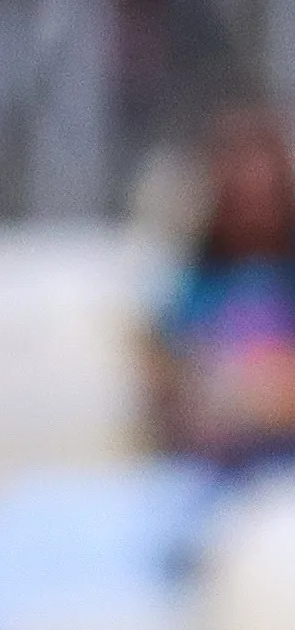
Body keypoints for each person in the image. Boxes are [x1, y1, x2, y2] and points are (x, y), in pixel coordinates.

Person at [158, 106, 295, 466]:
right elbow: (170, 396)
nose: (252, 207)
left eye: (264, 197)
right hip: (217, 468)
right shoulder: (191, 288)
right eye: (240, 197)